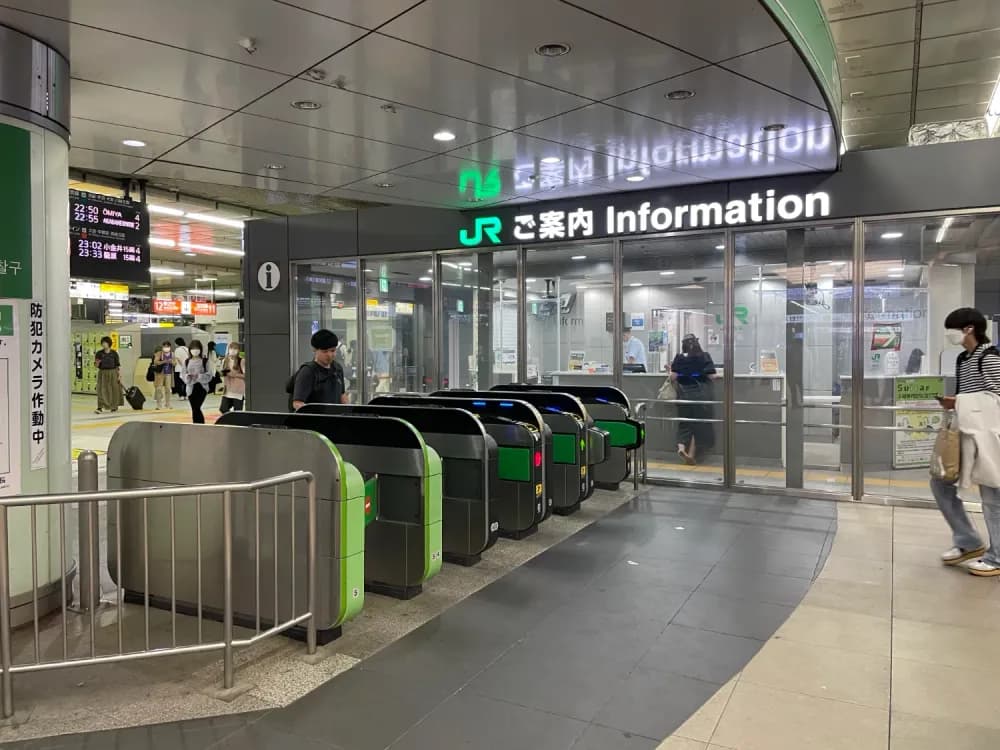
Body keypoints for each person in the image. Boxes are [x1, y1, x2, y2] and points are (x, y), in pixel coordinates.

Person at [932, 307, 1000, 576]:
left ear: (969, 328)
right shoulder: (963, 359)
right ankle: (968, 541)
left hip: (990, 437)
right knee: (941, 481)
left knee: (993, 494)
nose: (949, 334)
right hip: (967, 433)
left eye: (952, 328)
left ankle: (996, 557)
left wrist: (959, 401)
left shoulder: (990, 358)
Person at [669, 333, 717, 465]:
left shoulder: (679, 357)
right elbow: (712, 376)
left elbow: (672, 377)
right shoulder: (704, 356)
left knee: (684, 423)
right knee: (698, 425)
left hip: (683, 395)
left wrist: (676, 372)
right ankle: (691, 454)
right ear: (697, 343)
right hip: (701, 396)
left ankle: (681, 448)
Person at [291, 329, 348, 410]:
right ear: (315, 350)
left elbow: (342, 395)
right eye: (325, 351)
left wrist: (348, 412)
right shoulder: (308, 372)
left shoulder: (337, 368)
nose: (329, 355)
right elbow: (297, 403)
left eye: (333, 350)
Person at [179, 339, 213, 424]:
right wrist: (188, 376)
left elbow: (209, 375)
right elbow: (183, 374)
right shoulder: (187, 361)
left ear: (200, 349)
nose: (195, 350)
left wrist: (198, 376)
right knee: (194, 408)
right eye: (193, 348)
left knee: (196, 407)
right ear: (190, 350)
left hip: (202, 387)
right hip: (190, 387)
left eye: (197, 348)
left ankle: (200, 425)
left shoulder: (205, 361)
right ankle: (197, 425)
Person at [94, 336, 121, 414]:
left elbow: (117, 365)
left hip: (113, 372)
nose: (103, 345)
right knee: (101, 390)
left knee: (114, 390)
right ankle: (100, 407)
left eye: (105, 343)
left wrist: (119, 375)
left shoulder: (114, 353)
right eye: (102, 343)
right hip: (103, 372)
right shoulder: (99, 353)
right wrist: (97, 363)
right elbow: (96, 365)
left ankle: (114, 406)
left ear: (109, 344)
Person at [220, 342, 245, 414]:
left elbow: (246, 375)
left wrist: (234, 374)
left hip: (238, 391)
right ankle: (229, 421)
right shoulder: (225, 360)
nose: (233, 350)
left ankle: (234, 423)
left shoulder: (241, 361)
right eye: (231, 348)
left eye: (235, 348)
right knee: (223, 408)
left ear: (238, 350)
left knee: (237, 412)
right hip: (227, 389)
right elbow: (222, 373)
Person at [152, 340, 174, 410]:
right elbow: (155, 362)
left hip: (168, 373)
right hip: (160, 373)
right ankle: (159, 404)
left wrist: (171, 362)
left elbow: (175, 363)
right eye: (165, 346)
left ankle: (168, 403)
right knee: (159, 388)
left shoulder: (172, 354)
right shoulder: (159, 353)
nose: (166, 348)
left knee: (168, 389)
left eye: (168, 346)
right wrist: (163, 361)